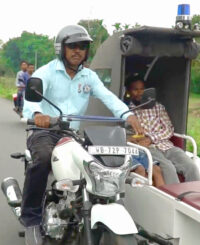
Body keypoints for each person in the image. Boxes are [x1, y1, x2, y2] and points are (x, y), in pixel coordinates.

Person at [21, 25, 143, 245]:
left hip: (71, 133)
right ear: (62, 49)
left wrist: (127, 114)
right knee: (42, 159)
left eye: (83, 47)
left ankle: (84, 207)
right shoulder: (47, 72)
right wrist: (38, 114)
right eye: (72, 46)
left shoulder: (89, 77)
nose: (77, 51)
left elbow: (108, 97)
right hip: (45, 131)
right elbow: (31, 100)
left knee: (97, 163)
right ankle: (31, 218)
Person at [126, 77, 200, 185]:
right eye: (135, 89)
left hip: (165, 145)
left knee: (191, 166)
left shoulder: (158, 107)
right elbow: (126, 134)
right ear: (128, 91)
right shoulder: (127, 111)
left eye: (142, 89)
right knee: (168, 169)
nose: (140, 92)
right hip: (147, 149)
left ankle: (195, 194)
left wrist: (151, 138)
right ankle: (175, 198)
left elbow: (169, 129)